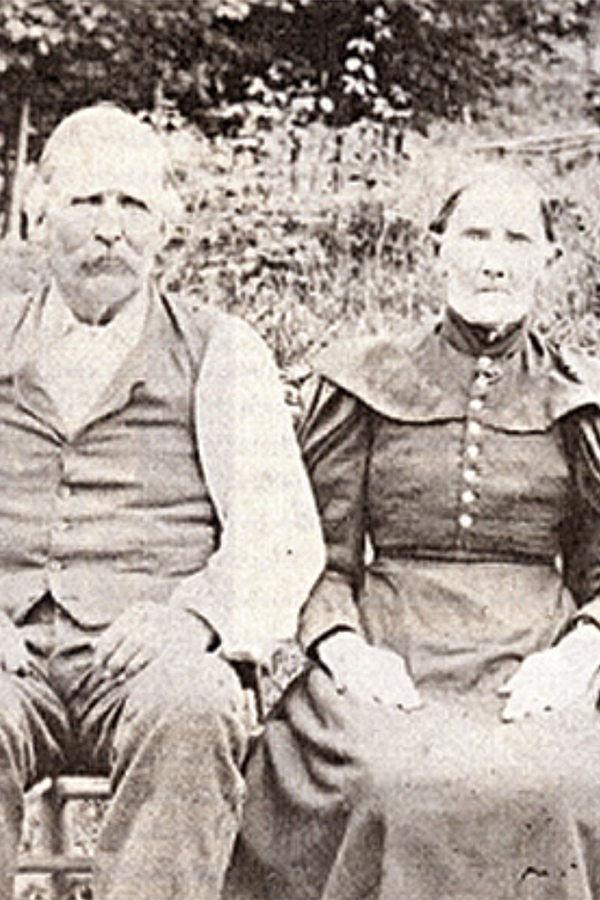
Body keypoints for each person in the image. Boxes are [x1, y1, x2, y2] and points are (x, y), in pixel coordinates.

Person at [226, 166, 600, 900]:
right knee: (389, 780)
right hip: (390, 645)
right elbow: (317, 554)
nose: (494, 260)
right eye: (475, 236)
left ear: (549, 259)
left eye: (517, 240)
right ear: (438, 250)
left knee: (556, 782)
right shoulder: (366, 380)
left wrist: (580, 655)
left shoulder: (578, 399)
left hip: (534, 655)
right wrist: (344, 649)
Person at [0, 104, 324, 900]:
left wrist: (197, 616)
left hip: (153, 658)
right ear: (38, 210)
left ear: (164, 227)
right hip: (9, 654)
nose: (110, 228)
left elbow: (280, 532)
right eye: (87, 201)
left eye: (133, 205)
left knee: (196, 705)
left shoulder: (221, 350)